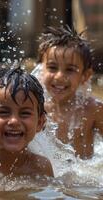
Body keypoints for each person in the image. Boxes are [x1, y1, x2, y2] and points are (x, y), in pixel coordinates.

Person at [35, 26, 103, 159]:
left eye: (70, 70)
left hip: (84, 176)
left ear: (85, 75)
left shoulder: (93, 109)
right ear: (41, 69)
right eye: (52, 67)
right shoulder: (35, 108)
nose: (59, 76)